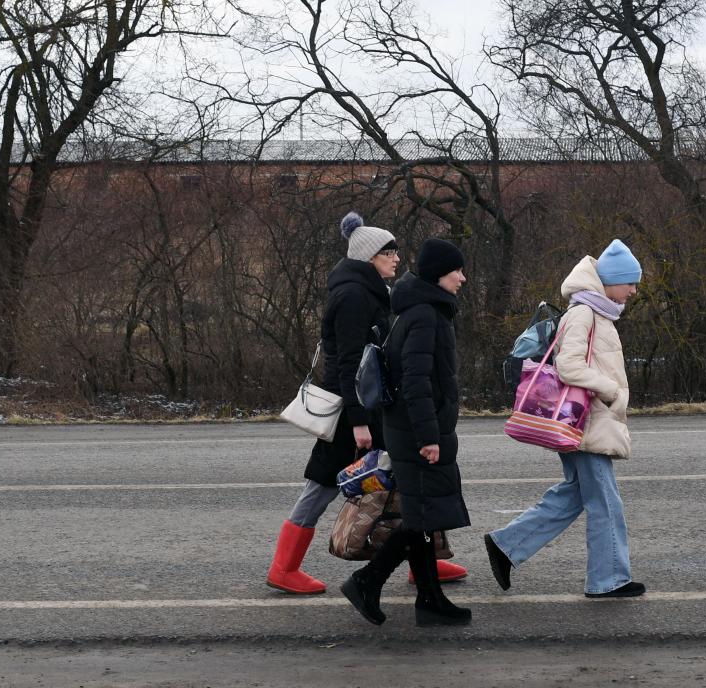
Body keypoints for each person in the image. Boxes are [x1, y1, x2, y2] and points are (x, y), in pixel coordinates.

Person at [266, 213, 467, 594]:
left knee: (406, 482)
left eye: (395, 251)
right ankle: (283, 567)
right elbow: (349, 362)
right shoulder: (353, 296)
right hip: (350, 413)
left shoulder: (373, 291)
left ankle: (423, 563)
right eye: (387, 252)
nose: (395, 258)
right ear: (368, 257)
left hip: (370, 408)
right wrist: (358, 421)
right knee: (323, 485)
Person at [483, 239, 646, 599]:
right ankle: (609, 580)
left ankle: (506, 545)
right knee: (604, 500)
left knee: (576, 494)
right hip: (584, 421)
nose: (634, 290)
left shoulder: (595, 311)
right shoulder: (584, 313)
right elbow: (569, 366)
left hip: (587, 420)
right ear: (611, 280)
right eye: (629, 282)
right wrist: (610, 391)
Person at [341, 238, 473, 626]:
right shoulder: (424, 316)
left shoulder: (423, 310)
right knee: (421, 517)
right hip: (417, 433)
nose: (463, 278)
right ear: (438, 274)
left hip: (413, 429)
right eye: (457, 271)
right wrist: (429, 437)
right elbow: (415, 383)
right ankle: (367, 580)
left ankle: (430, 600)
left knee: (424, 515)